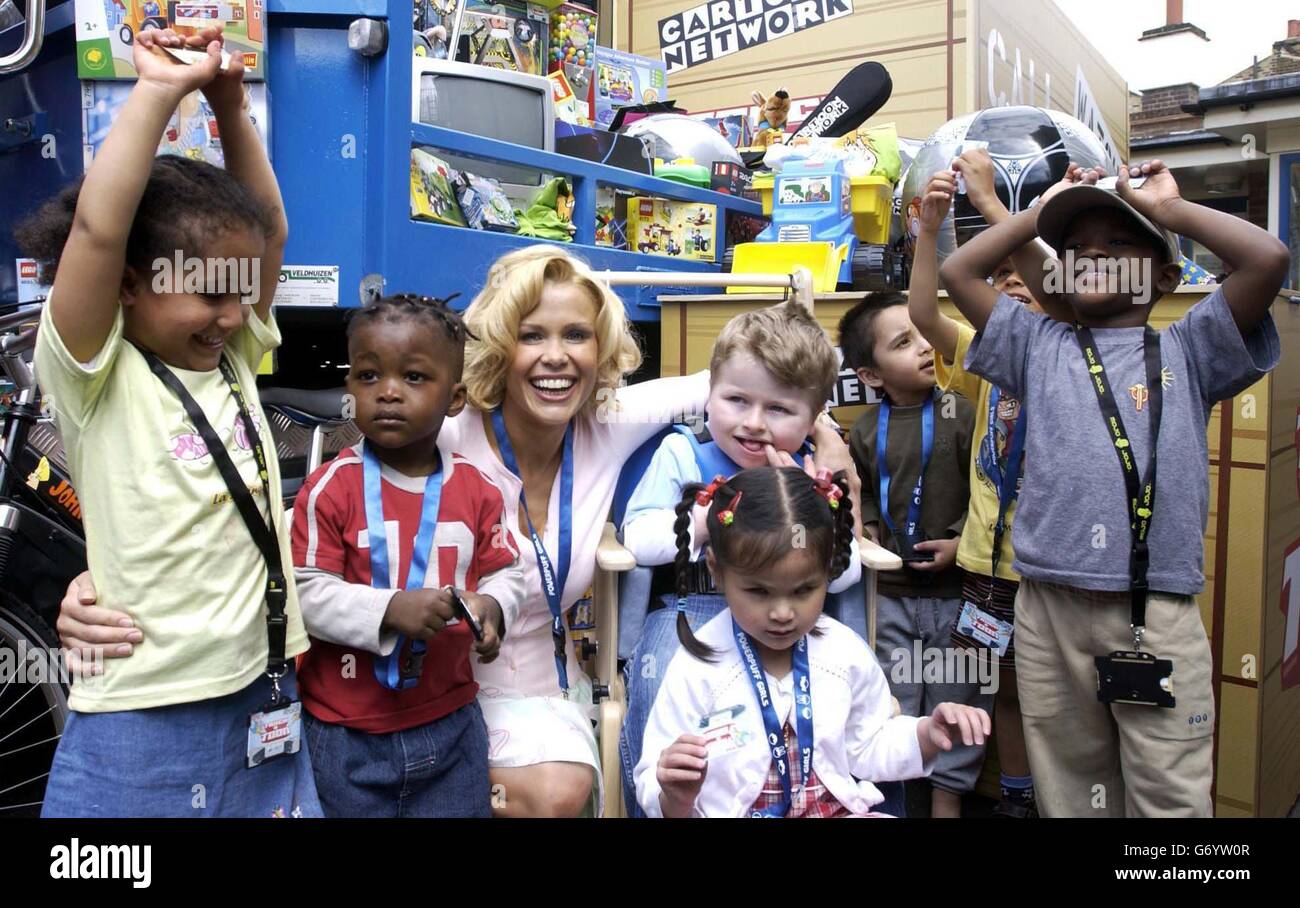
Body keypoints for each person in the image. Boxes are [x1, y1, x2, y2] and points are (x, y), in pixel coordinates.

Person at [58, 244, 712, 817]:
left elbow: (732, 385)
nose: (556, 357)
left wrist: (812, 433)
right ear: (496, 348)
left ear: (600, 351)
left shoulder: (607, 420)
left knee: (548, 794)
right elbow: (296, 539)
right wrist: (113, 579)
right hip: (374, 701)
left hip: (506, 683)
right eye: (531, 334)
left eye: (577, 335)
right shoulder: (437, 429)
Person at [19, 27, 319, 816]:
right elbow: (97, 230)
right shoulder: (94, 373)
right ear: (125, 285)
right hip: (144, 715)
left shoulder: (232, 352)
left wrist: (227, 99)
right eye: (206, 291)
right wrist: (158, 92)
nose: (232, 311)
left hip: (262, 697)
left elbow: (272, 231)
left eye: (240, 289)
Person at [939, 159, 1288, 816]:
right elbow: (958, 273)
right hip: (1045, 609)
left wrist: (1168, 211)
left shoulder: (1190, 348)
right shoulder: (1035, 343)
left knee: (1168, 794)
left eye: (1119, 246)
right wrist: (1042, 211)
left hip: (1152, 613)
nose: (1094, 257)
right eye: (1075, 250)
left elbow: (1267, 259)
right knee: (1070, 789)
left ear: (1164, 274)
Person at [634, 466, 990, 817]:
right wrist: (676, 797)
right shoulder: (697, 667)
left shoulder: (843, 652)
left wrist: (927, 734)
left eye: (804, 589)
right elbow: (655, 776)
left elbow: (868, 745)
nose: (782, 612)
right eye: (759, 591)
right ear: (716, 569)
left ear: (828, 572)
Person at [290, 294, 524, 816]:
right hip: (345, 732)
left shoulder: (478, 489)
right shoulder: (331, 487)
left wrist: (494, 607)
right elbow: (303, 592)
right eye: (368, 376)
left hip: (451, 727)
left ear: (456, 397)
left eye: (414, 378)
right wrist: (390, 611)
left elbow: (508, 571)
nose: (389, 393)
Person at [904, 151, 1080, 817]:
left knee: (1060, 697)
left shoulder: (1081, 356)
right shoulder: (989, 364)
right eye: (998, 277)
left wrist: (993, 203)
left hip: (1059, 568)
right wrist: (930, 228)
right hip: (989, 570)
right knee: (1003, 688)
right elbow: (925, 316)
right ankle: (1015, 800)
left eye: (1024, 277)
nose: (1009, 285)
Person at [839, 292, 990, 817]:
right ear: (872, 375)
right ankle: (896, 802)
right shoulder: (862, 430)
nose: (926, 348)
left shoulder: (964, 413)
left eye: (927, 335)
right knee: (894, 698)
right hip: (892, 595)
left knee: (961, 696)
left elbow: (988, 491)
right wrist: (873, 529)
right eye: (904, 343)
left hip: (957, 594)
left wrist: (960, 541)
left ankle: (948, 805)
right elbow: (867, 498)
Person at [621, 300, 864, 623]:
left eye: (778, 409)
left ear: (812, 419)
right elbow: (637, 540)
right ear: (710, 393)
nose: (753, 422)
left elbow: (845, 576)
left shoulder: (812, 468)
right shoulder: (683, 453)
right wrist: (707, 519)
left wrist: (809, 507)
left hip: (792, 618)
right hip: (694, 607)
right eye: (737, 400)